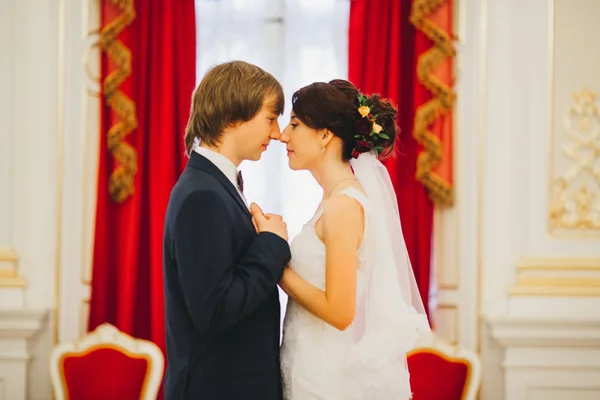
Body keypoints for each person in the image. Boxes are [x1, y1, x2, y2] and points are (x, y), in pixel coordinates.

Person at [278, 79, 431, 399]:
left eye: (293, 124)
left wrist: (278, 269)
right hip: (309, 364)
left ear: (324, 135)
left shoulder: (344, 206)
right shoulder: (334, 200)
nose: (283, 135)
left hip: (324, 376)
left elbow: (340, 310)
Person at [163, 60, 291, 400]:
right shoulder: (202, 195)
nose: (277, 133)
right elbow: (214, 310)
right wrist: (271, 244)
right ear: (232, 117)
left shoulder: (213, 184)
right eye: (270, 118)